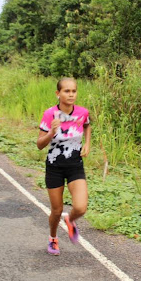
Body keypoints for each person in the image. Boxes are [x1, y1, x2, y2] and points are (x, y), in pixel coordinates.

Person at [37, 78, 91, 256]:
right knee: (56, 210)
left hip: (75, 164)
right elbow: (39, 144)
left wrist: (87, 144)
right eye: (66, 91)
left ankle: (71, 220)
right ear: (58, 93)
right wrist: (52, 132)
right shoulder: (49, 114)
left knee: (81, 207)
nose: (71, 94)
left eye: (73, 91)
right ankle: (53, 238)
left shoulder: (82, 112)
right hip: (55, 166)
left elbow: (87, 125)